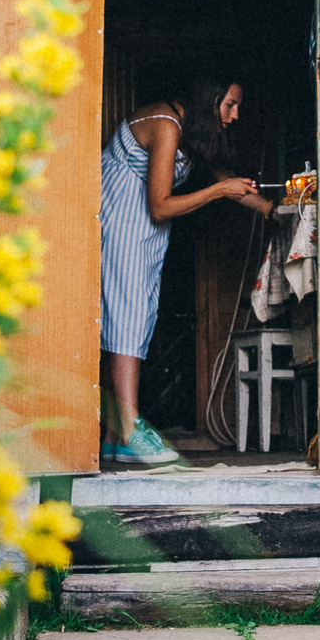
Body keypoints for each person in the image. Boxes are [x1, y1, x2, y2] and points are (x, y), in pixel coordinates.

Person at [98, 75, 276, 468]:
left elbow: (225, 181)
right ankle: (129, 431)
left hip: (142, 234)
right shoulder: (166, 124)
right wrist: (218, 192)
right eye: (230, 104)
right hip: (121, 226)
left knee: (135, 323)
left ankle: (113, 436)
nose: (235, 114)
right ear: (211, 99)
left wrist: (271, 211)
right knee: (125, 322)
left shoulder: (194, 137)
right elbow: (160, 205)